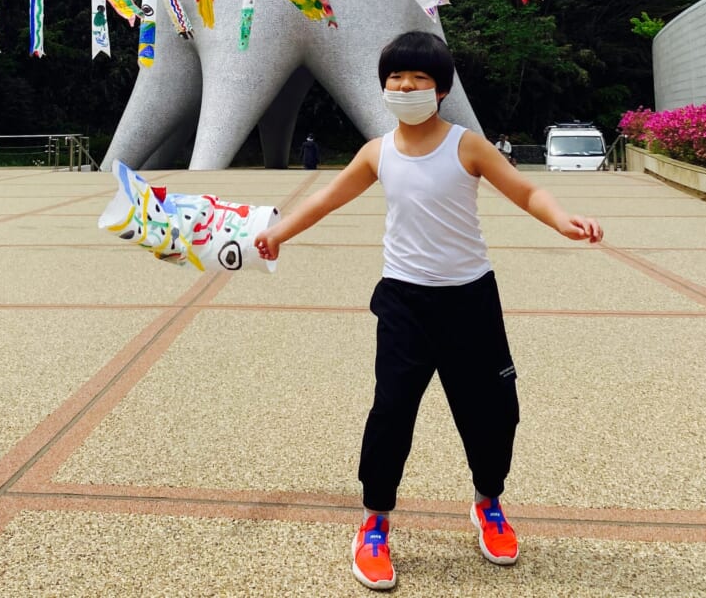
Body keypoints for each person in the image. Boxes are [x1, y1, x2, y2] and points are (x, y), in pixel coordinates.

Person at [254, 31, 602, 591]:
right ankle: (374, 522)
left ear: (440, 90)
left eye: (418, 80)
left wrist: (561, 219)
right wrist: (279, 233)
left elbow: (526, 192)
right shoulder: (377, 151)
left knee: (493, 412)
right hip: (404, 302)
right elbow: (326, 198)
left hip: (470, 299)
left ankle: (488, 504)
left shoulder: (467, 145)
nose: (406, 88)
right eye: (395, 80)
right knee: (391, 413)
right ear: (383, 89)